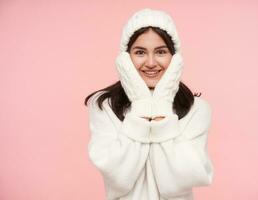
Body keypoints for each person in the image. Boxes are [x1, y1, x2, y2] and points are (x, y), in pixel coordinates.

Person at [84, 8, 214, 200]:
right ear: (125, 59)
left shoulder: (198, 109)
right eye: (140, 52)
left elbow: (178, 182)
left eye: (161, 52)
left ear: (175, 58)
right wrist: (142, 104)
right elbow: (119, 179)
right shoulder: (104, 106)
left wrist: (161, 104)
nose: (151, 62)